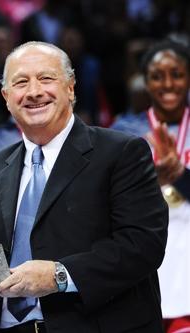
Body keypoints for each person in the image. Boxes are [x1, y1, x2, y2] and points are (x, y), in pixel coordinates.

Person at [0, 41, 168, 332]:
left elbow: (143, 245)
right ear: (6, 97)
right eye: (21, 82)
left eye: (46, 79)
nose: (34, 92)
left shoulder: (122, 152)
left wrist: (60, 275)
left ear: (71, 88)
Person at [111, 39, 190, 333]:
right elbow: (109, 196)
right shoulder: (123, 130)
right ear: (145, 82)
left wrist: (181, 174)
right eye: (157, 76)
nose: (168, 84)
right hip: (143, 251)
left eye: (178, 74)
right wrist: (148, 179)